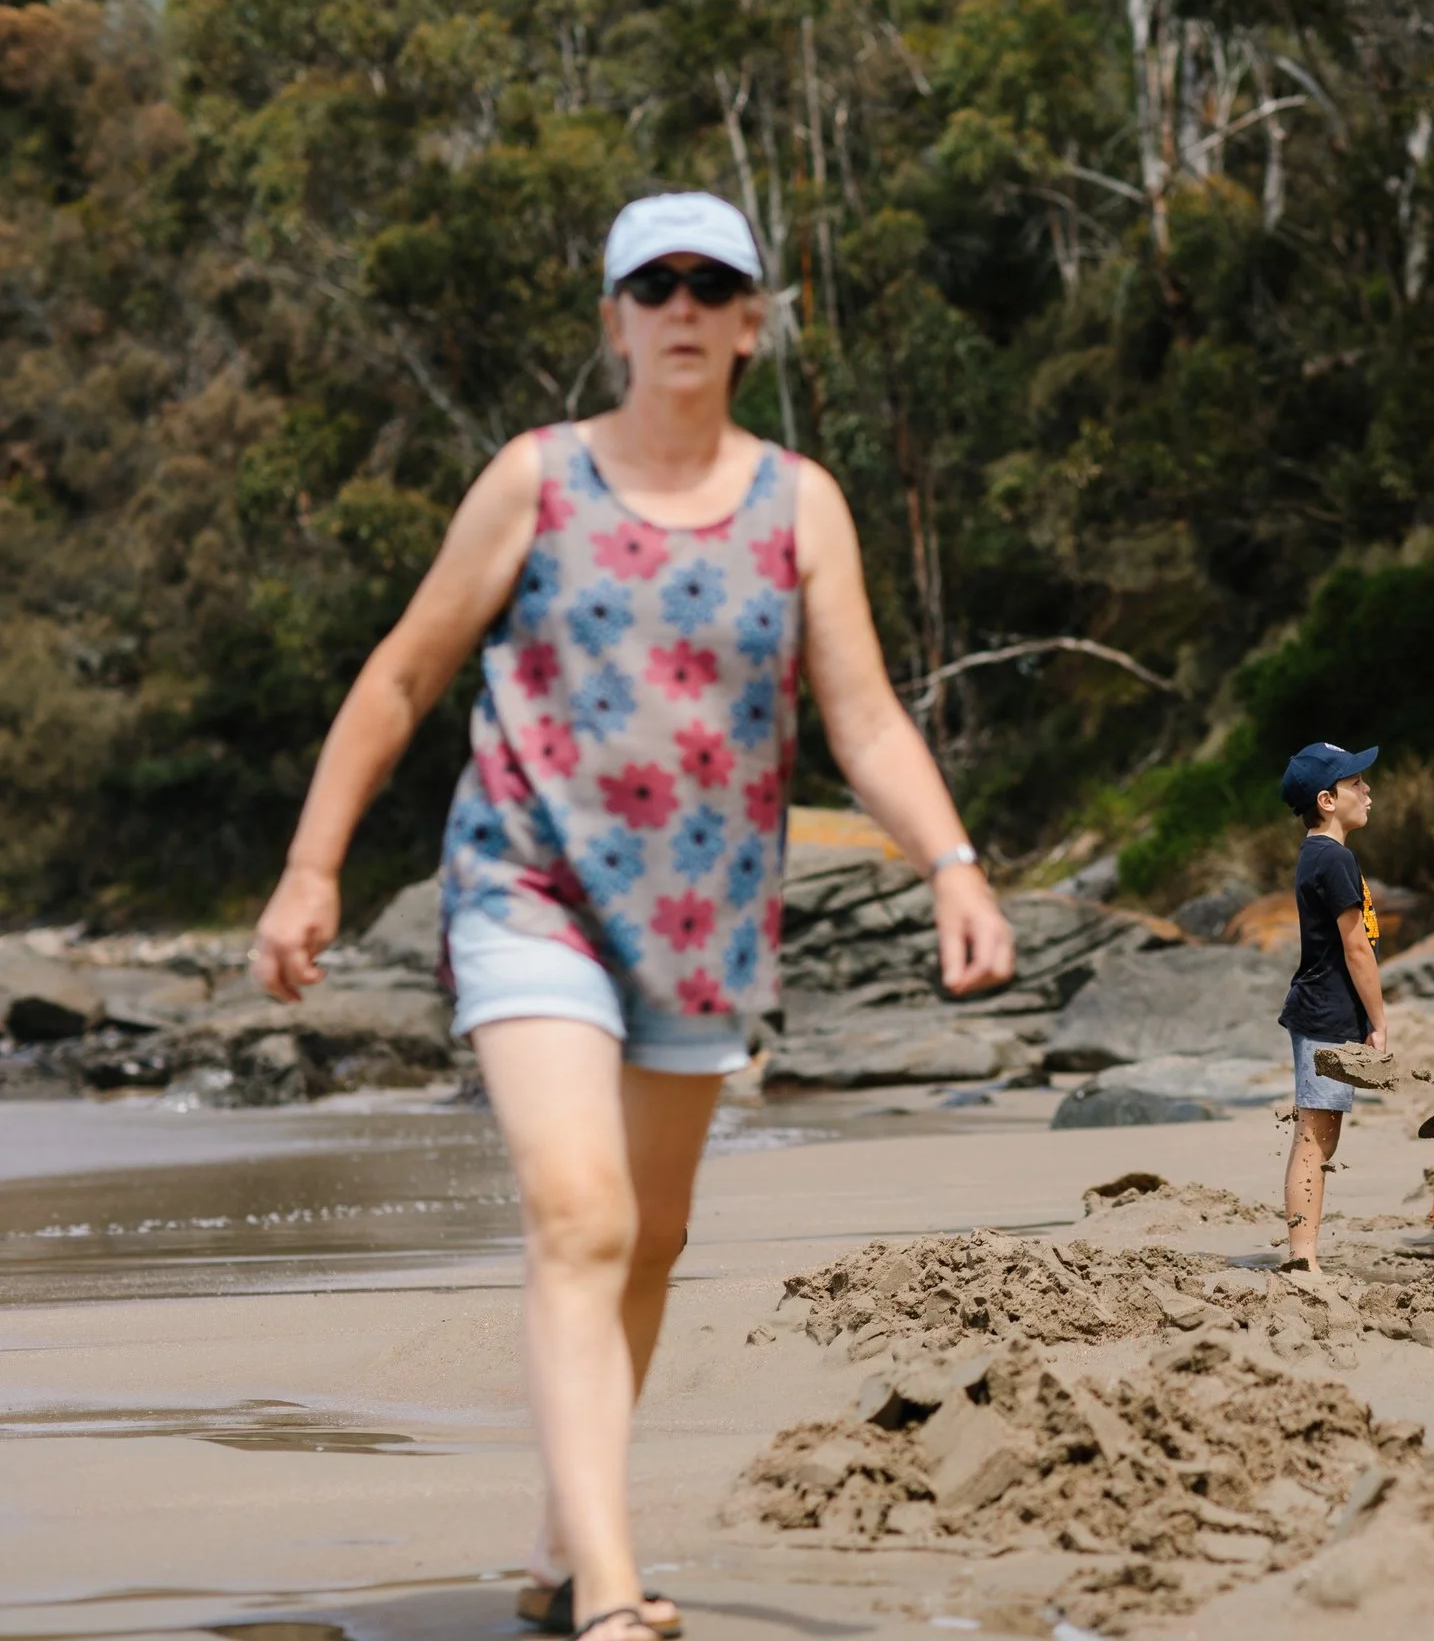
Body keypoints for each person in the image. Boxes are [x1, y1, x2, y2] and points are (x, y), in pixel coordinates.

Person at [247, 193, 1016, 1641]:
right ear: (613, 319)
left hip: (703, 921)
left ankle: (559, 1535)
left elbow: (858, 711)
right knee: (581, 1211)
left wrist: (952, 863)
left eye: (707, 282)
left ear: (746, 322)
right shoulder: (536, 479)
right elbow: (404, 675)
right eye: (648, 282)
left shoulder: (801, 503)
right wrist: (311, 864)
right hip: (524, 889)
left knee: (650, 1235)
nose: (677, 303)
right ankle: (609, 1583)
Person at [1276, 741, 1388, 1272]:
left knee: (1321, 1135)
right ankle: (1302, 1259)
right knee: (1315, 1139)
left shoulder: (1320, 855)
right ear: (1326, 799)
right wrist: (1380, 1021)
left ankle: (1304, 1253)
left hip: (1325, 1012)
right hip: (1325, 1014)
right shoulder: (1333, 857)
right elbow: (1356, 946)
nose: (1368, 790)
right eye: (1356, 783)